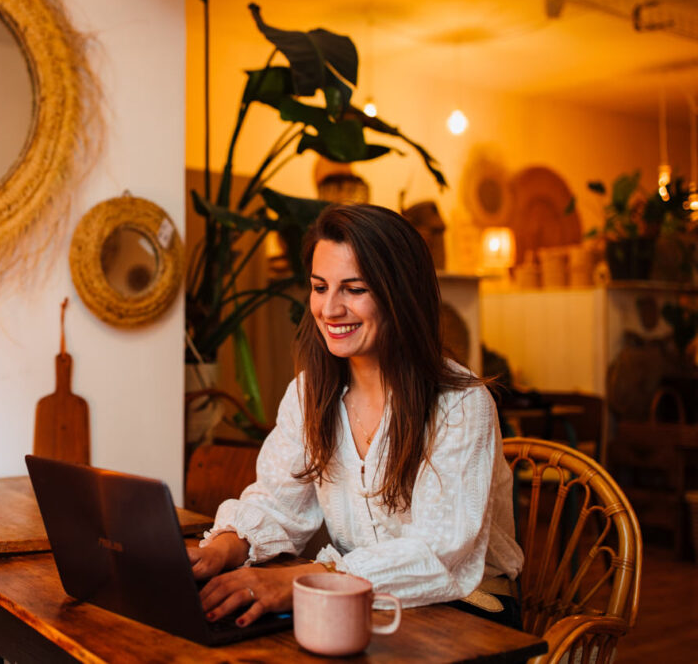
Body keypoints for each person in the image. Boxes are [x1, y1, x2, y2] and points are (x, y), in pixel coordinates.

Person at [187, 203, 523, 631]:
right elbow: (276, 502)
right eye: (320, 287)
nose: (329, 309)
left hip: (467, 608)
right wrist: (220, 550)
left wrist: (305, 580)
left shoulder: (460, 404)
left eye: (354, 289)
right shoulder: (309, 394)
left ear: (401, 294)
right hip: (356, 599)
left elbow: (440, 551)